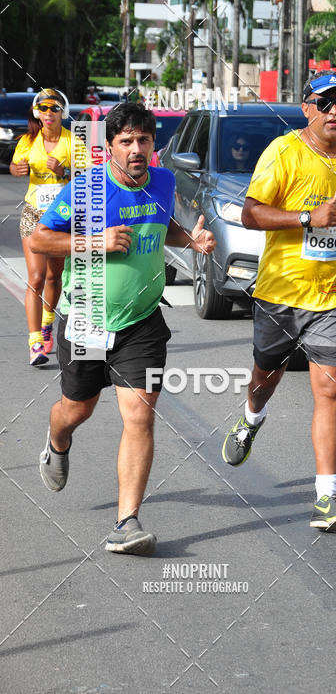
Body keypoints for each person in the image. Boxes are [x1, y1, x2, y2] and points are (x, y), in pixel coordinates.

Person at [30, 102, 216, 555]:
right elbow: (39, 238)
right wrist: (95, 240)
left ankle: (126, 522)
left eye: (144, 141)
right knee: (77, 409)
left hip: (142, 323)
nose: (137, 149)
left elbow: (163, 226)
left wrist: (192, 238)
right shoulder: (88, 189)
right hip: (89, 316)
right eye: (127, 141)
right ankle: (57, 440)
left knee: (139, 414)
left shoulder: (164, 181)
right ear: (110, 146)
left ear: (154, 144)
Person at [222, 71, 336, 531]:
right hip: (282, 292)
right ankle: (251, 418)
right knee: (265, 376)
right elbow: (251, 213)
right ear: (306, 108)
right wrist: (307, 217)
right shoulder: (283, 152)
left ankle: (327, 499)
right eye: (326, 103)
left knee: (329, 391)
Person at [10, 89, 74, 366]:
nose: (49, 113)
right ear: (37, 112)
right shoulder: (27, 140)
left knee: (53, 276)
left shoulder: (73, 142)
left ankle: (48, 320)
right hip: (33, 213)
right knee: (35, 277)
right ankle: (35, 341)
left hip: (61, 217)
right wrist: (18, 170)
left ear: (63, 112)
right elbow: (14, 166)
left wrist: (64, 172)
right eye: (44, 108)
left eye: (55, 108)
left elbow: (89, 178)